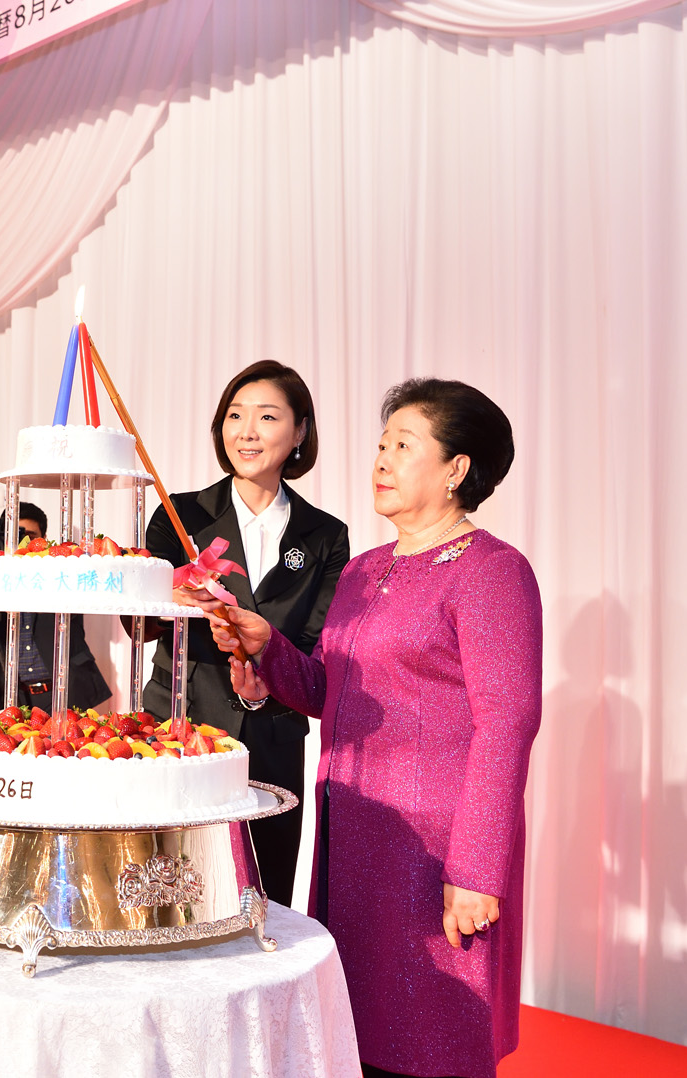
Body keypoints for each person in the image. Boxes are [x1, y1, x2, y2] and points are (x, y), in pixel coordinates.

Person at [203, 377, 542, 1078]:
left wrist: (478, 869)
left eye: (404, 446)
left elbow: (508, 724)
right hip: (355, 836)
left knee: (433, 1038)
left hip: (436, 852)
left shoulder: (491, 572)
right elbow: (331, 691)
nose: (381, 461)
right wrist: (266, 646)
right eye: (381, 444)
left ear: (457, 469)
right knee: (354, 1041)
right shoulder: (364, 570)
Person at [139, 360, 350, 907]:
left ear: (300, 431)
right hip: (179, 730)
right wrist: (170, 598)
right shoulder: (179, 516)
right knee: (166, 897)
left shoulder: (325, 536)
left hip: (273, 738)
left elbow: (313, 647)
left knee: (263, 906)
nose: (246, 431)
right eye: (235, 415)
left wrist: (267, 660)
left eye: (267, 417)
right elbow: (139, 624)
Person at [0, 501, 111, 714]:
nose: (24, 544)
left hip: (64, 691)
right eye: (16, 537)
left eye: (31, 537)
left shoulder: (62, 570)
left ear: (44, 539)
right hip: (12, 694)